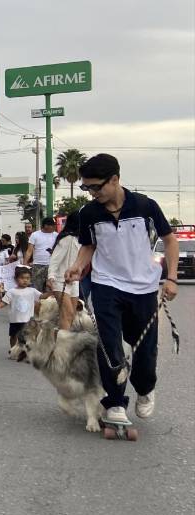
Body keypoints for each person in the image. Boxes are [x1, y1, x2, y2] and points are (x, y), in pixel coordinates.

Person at [66, 153, 179, 427]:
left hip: (143, 287)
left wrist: (172, 277)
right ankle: (115, 401)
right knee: (108, 344)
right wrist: (78, 266)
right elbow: (89, 246)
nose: (91, 193)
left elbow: (170, 240)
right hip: (107, 285)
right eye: (86, 188)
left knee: (145, 350)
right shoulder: (89, 213)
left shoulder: (145, 206)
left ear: (115, 179)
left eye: (96, 186)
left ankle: (144, 388)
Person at [46, 210, 84, 330]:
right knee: (66, 314)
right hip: (60, 280)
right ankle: (63, 346)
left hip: (74, 281)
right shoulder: (67, 239)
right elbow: (54, 259)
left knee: (71, 315)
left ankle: (60, 342)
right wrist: (51, 277)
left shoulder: (80, 240)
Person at [0, 266, 40, 349]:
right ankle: (13, 350)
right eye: (22, 278)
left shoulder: (32, 291)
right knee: (13, 336)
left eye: (27, 278)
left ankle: (25, 352)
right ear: (15, 279)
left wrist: (52, 292)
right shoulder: (11, 291)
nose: (25, 280)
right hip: (15, 320)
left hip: (28, 320)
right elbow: (4, 302)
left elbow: (42, 296)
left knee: (27, 337)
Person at [25, 217, 58, 291]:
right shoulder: (35, 235)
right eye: (52, 225)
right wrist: (25, 263)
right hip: (37, 265)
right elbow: (29, 250)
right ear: (46, 225)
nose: (54, 227)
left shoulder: (56, 235)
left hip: (52, 266)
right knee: (36, 289)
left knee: (50, 290)